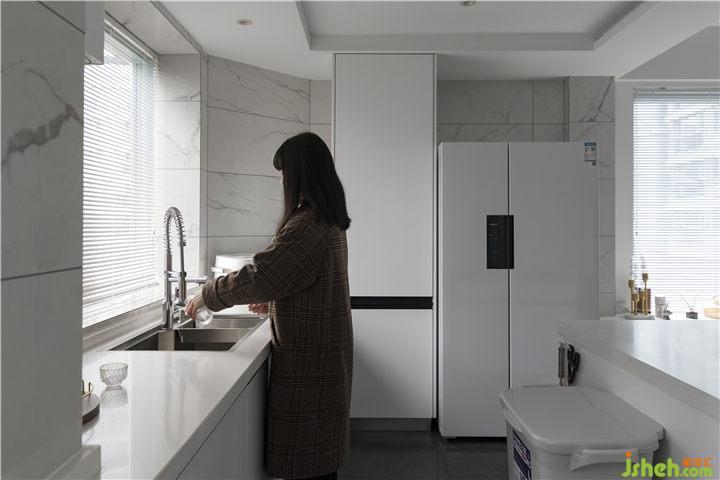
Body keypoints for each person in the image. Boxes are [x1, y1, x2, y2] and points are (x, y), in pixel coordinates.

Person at [186, 132, 353, 480]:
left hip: (311, 366)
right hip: (322, 358)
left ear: (299, 175)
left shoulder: (308, 224)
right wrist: (277, 298)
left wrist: (207, 294)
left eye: (284, 173)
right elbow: (296, 276)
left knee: (309, 468)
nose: (281, 181)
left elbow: (262, 273)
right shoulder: (325, 217)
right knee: (318, 466)